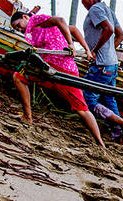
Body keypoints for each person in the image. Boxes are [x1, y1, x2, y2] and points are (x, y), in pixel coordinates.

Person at [10, 11, 106, 148]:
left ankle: (28, 117)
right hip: (54, 68)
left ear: (25, 17)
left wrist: (71, 44)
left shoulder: (34, 20)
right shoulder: (37, 30)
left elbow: (60, 20)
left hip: (57, 67)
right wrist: (86, 50)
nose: (19, 29)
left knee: (19, 77)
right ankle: (100, 143)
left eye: (18, 25)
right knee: (82, 109)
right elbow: (72, 29)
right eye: (16, 29)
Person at [78, 0, 123, 140]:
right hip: (112, 64)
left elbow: (109, 30)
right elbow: (120, 35)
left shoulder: (95, 9)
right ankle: (119, 133)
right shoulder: (108, 10)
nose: (82, 2)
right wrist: (108, 50)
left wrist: (95, 51)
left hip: (102, 66)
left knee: (86, 97)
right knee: (109, 98)